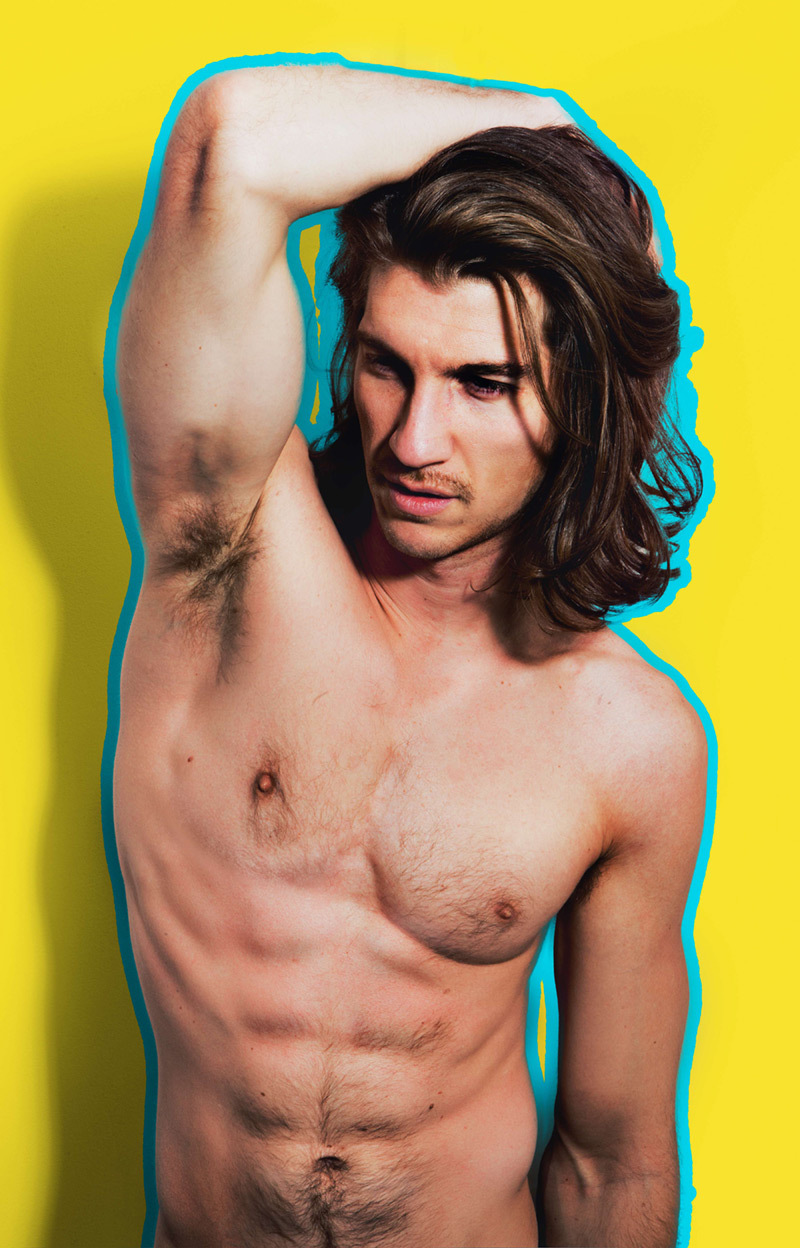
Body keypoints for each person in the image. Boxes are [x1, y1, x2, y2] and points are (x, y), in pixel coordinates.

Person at [113, 62, 707, 1248]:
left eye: (483, 384)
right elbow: (230, 140)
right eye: (386, 366)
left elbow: (613, 1163)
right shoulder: (224, 557)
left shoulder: (630, 740)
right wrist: (547, 127)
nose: (413, 438)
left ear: (582, 403)